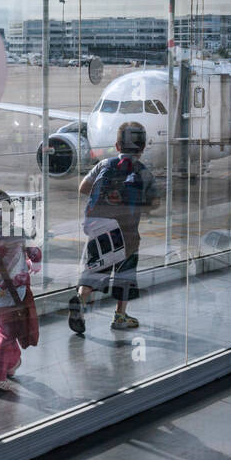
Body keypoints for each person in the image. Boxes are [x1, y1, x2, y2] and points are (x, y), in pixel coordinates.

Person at [68, 121, 162, 334]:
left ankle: (81, 302)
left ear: (117, 146)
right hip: (126, 232)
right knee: (125, 273)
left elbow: (83, 187)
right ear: (143, 148)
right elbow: (155, 202)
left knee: (95, 268)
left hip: (98, 227)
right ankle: (120, 316)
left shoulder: (104, 165)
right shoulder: (143, 172)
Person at [0, 189, 41, 391]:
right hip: (12, 294)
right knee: (8, 334)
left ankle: (10, 365)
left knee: (0, 334)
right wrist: (32, 261)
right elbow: (34, 254)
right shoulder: (18, 234)